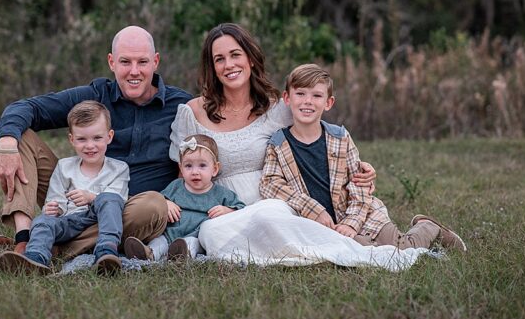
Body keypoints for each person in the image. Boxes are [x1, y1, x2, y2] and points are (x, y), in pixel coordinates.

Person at [174, 24, 432, 270]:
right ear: (212, 66)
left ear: (250, 58)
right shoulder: (193, 112)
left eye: (235, 55)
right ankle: (329, 249)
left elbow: (319, 139)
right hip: (223, 211)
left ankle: (349, 249)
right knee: (211, 232)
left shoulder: (279, 108)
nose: (229, 64)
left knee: (269, 216)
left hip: (276, 206)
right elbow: (183, 174)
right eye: (219, 59)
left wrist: (363, 172)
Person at [0, 25, 190, 259]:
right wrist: (7, 142)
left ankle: (50, 246)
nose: (134, 71)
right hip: (73, 199)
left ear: (156, 62)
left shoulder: (180, 105)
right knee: (22, 136)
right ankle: (24, 239)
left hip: (132, 209)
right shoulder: (96, 95)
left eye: (143, 62)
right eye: (125, 62)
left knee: (153, 206)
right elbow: (28, 108)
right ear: (111, 62)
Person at [261, 63, 466, 252]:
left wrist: (352, 222)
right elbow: (269, 184)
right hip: (324, 226)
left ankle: (428, 227)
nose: (307, 101)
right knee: (361, 251)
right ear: (287, 98)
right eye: (300, 94)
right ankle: (367, 242)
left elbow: (359, 185)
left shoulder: (339, 138)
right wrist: (312, 208)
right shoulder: (278, 144)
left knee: (400, 249)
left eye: (316, 95)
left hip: (362, 214)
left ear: (328, 102)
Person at [0, 100, 129, 275]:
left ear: (109, 137)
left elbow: (117, 201)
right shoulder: (64, 167)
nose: (90, 146)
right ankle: (35, 258)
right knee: (42, 221)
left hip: (98, 221)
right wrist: (53, 209)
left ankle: (106, 251)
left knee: (108, 199)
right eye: (82, 139)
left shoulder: (119, 168)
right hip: (68, 221)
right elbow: (55, 199)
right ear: (71, 140)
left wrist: (91, 198)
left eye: (97, 138)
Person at [124, 133, 244, 262]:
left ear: (214, 169)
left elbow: (242, 211)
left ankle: (180, 257)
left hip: (196, 236)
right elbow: (159, 199)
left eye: (202, 165)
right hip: (170, 234)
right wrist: (166, 203)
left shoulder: (221, 193)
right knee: (159, 241)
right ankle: (148, 254)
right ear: (181, 168)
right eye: (188, 166)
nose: (195, 172)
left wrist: (227, 211)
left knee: (192, 244)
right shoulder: (176, 186)